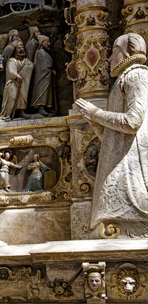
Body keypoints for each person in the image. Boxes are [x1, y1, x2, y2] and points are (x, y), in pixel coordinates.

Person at [75, 33, 148, 238]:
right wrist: (96, 123)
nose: (108, 58)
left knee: (118, 230)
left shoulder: (136, 75)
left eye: (114, 51)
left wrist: (96, 113)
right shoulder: (126, 77)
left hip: (130, 168)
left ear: (127, 52)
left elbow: (133, 121)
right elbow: (115, 137)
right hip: (121, 162)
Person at [0, 41, 33, 120]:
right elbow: (11, 71)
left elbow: (30, 65)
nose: (21, 49)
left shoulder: (26, 61)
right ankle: (8, 114)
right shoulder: (11, 60)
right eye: (19, 48)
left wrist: (26, 69)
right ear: (15, 50)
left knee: (23, 96)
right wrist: (16, 75)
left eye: (22, 47)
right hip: (12, 83)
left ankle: (21, 112)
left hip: (23, 84)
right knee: (12, 97)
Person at [30, 35, 55, 116]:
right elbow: (43, 66)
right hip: (42, 75)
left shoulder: (44, 52)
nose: (48, 43)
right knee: (42, 90)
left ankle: (47, 107)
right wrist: (50, 70)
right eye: (46, 42)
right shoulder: (40, 52)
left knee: (47, 91)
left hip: (47, 75)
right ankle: (41, 108)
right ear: (41, 42)